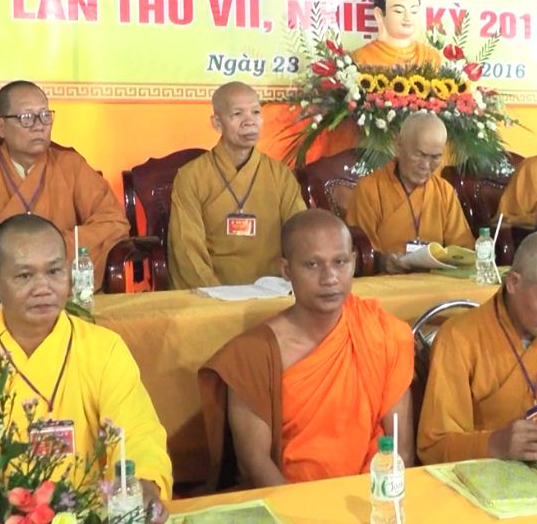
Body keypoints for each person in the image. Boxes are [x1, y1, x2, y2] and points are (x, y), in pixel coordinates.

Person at [198, 210, 414, 489]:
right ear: (286, 270)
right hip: (289, 501)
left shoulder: (383, 333)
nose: (330, 278)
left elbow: (400, 450)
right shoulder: (253, 354)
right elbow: (254, 463)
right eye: (312, 265)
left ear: (353, 262)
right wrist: (302, 510)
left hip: (373, 496)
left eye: (340, 262)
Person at [0, 214, 171, 513]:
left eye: (54, 271)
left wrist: (142, 486)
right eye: (25, 276)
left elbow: (136, 432)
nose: (43, 287)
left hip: (91, 514)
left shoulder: (102, 349)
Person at [0, 80, 129, 287]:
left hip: (62, 289)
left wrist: (58, 245)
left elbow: (114, 222)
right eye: (27, 117)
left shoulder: (72, 166)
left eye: (45, 116)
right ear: (1, 126)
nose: (39, 126)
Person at [417, 232, 537, 464]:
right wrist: (494, 444)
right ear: (513, 282)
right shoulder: (459, 338)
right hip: (479, 475)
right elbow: (434, 446)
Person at [168, 81, 306, 288]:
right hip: (212, 292)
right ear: (217, 123)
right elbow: (186, 249)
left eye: (256, 112)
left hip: (273, 289)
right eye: (237, 114)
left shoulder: (280, 175)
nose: (250, 121)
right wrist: (215, 294)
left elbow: (301, 234)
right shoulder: (191, 176)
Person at [345, 113, 473, 272]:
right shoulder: (370, 188)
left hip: (436, 281)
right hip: (386, 279)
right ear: (398, 146)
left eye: (435, 157)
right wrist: (382, 262)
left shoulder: (444, 191)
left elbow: (463, 249)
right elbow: (358, 251)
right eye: (419, 155)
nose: (425, 166)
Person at [351, 0, 442, 69]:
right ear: (379, 14)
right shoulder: (363, 58)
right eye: (399, 11)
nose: (408, 17)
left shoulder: (431, 57)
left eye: (413, 11)